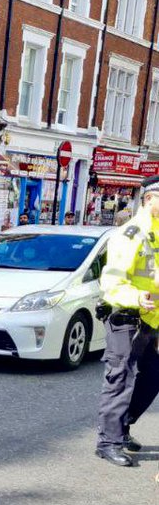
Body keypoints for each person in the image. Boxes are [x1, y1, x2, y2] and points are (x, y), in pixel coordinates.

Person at [94, 177, 159, 466]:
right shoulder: (130, 234)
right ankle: (108, 442)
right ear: (149, 199)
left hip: (151, 321)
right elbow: (111, 282)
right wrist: (136, 298)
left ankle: (122, 427)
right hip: (126, 317)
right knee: (121, 379)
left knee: (153, 377)